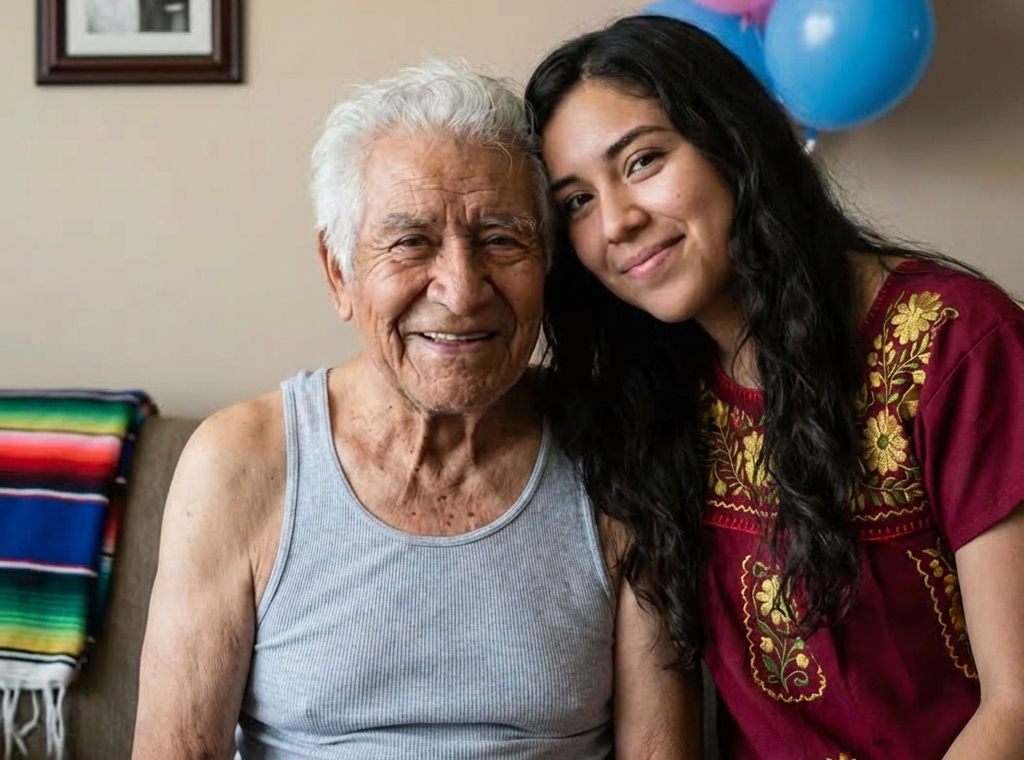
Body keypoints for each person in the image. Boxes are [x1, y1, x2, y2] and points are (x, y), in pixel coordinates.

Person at [132, 59, 700, 760]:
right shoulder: (239, 465)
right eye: (411, 242)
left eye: (501, 238)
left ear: (547, 264)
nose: (462, 291)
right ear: (339, 272)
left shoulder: (615, 448)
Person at [524, 15, 1024, 760]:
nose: (618, 222)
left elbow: (1014, 707)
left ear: (731, 140)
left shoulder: (957, 342)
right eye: (576, 202)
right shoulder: (654, 399)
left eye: (642, 161)